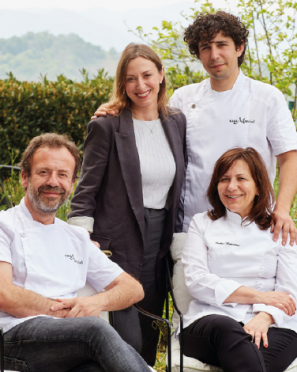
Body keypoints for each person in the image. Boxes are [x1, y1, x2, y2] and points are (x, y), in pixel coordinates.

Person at [92, 11, 297, 246]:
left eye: (222, 45)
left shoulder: (267, 98)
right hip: (191, 226)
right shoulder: (183, 98)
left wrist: (282, 209)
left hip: (252, 223)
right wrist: (117, 109)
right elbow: (146, 122)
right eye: (206, 47)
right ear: (198, 53)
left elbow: (289, 157)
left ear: (239, 47)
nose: (214, 55)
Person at [67, 43, 187, 366]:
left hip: (158, 246)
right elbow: (85, 191)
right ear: (122, 83)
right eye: (130, 79)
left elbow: (178, 191)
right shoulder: (106, 125)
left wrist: (177, 242)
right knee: (124, 340)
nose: (140, 85)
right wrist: (82, 243)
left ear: (161, 75)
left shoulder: (176, 122)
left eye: (147, 75)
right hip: (116, 245)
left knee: (149, 335)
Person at [0, 133, 152, 372]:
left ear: (72, 184)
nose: (53, 182)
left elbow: (133, 289)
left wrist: (95, 302)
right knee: (94, 328)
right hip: (12, 337)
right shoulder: (4, 225)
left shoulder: (77, 237)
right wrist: (66, 312)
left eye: (62, 175)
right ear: (24, 178)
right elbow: (4, 295)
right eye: (43, 172)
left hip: (67, 340)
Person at [179, 147, 297, 372]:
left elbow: (289, 291)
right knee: (228, 331)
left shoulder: (280, 228)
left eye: (241, 178)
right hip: (211, 320)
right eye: (224, 179)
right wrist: (259, 296)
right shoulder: (202, 223)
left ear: (259, 187)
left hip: (273, 323)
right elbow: (197, 281)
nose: (231, 186)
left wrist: (264, 317)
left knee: (253, 360)